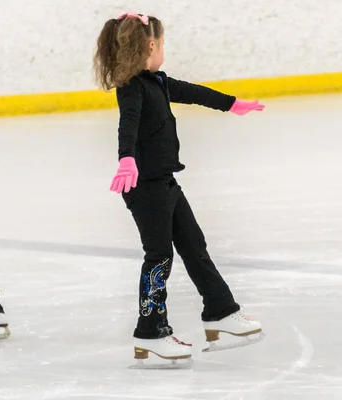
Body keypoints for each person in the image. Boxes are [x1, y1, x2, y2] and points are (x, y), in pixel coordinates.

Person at [93, 12, 265, 366]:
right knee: (159, 257)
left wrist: (232, 103)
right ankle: (150, 332)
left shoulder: (158, 81)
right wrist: (126, 158)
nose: (164, 49)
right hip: (145, 187)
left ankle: (220, 312)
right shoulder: (132, 88)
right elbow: (128, 125)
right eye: (163, 43)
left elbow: (195, 93)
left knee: (193, 245)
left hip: (166, 181)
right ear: (150, 45)